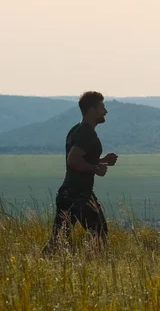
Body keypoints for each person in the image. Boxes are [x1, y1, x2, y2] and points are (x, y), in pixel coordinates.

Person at [42, 91, 118, 255]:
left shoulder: (76, 130)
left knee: (58, 239)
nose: (105, 111)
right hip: (79, 195)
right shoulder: (87, 134)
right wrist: (96, 168)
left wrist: (101, 160)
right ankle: (94, 267)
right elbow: (73, 160)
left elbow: (79, 160)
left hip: (69, 193)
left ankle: (40, 263)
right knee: (99, 234)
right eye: (102, 107)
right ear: (91, 110)